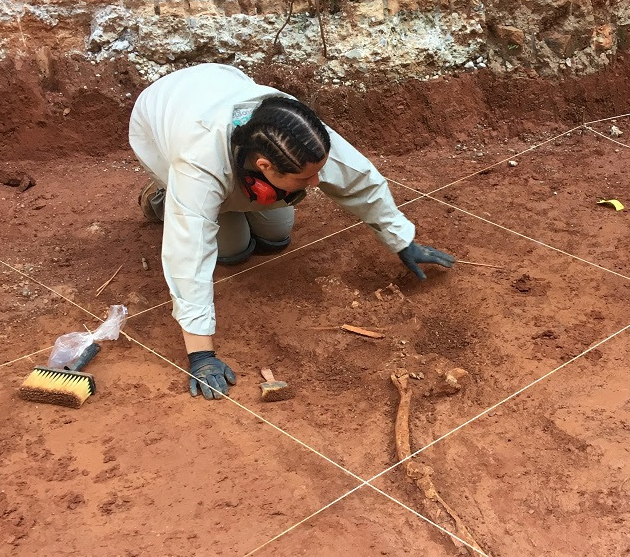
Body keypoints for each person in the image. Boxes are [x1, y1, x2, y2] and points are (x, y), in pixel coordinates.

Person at [129, 63, 455, 400]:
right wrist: (201, 354)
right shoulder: (197, 163)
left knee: (276, 236)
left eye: (317, 173)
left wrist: (402, 240)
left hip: (217, 85)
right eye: (304, 178)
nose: (315, 184)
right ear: (265, 166)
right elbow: (189, 255)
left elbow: (359, 180)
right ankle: (163, 198)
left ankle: (231, 199)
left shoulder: (294, 128)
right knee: (233, 250)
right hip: (161, 121)